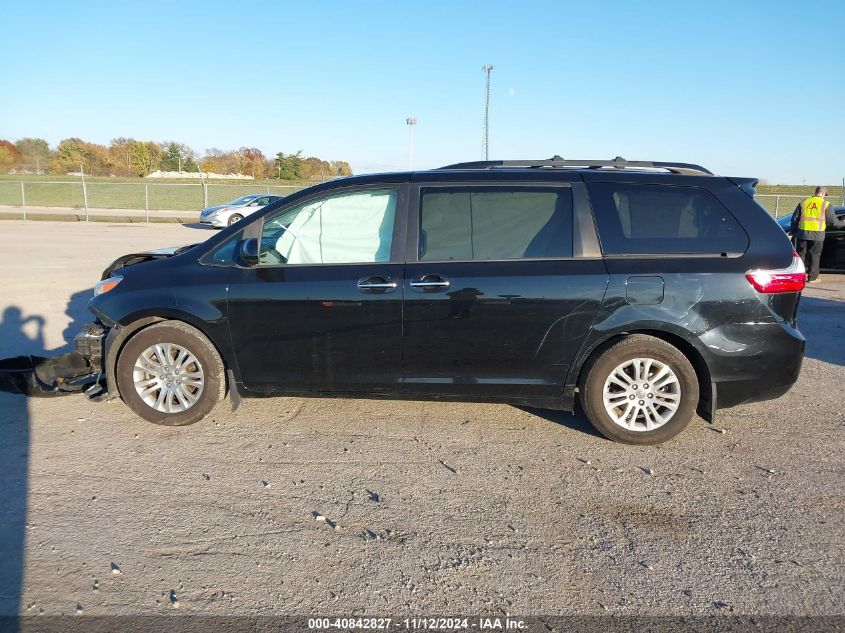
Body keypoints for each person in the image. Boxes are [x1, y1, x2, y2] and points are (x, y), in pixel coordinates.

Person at [790, 186, 845, 282]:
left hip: (803, 233)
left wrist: (794, 231)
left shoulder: (804, 202)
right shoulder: (826, 204)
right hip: (817, 235)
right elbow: (834, 223)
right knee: (815, 255)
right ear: (823, 194)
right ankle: (812, 278)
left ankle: (799, 278)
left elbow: (794, 219)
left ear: (816, 192)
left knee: (801, 255)